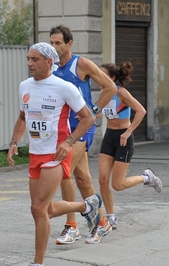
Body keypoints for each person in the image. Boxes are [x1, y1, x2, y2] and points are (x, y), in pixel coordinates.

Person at [6, 42, 102, 266]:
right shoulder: (24, 86)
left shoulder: (64, 87)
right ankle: (87, 206)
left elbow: (88, 117)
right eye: (28, 59)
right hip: (35, 154)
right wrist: (13, 142)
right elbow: (23, 117)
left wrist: (69, 142)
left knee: (37, 209)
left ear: (49, 62)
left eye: (35, 59)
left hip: (56, 154)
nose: (29, 63)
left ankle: (37, 262)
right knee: (46, 210)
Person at [49, 25, 117, 244]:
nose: (54, 47)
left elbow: (110, 88)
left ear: (69, 44)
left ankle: (72, 226)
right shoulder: (49, 67)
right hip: (62, 129)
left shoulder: (81, 64)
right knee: (83, 179)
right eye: (51, 43)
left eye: (58, 43)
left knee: (64, 172)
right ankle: (101, 222)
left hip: (82, 128)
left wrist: (94, 111)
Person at [97, 61, 163, 227]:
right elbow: (98, 113)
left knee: (117, 185)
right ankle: (111, 216)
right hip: (109, 137)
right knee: (102, 179)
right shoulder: (104, 92)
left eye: (102, 75)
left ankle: (147, 177)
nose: (98, 78)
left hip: (123, 138)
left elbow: (141, 111)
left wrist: (128, 132)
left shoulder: (121, 92)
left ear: (112, 77)